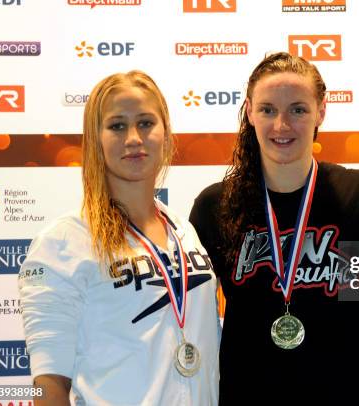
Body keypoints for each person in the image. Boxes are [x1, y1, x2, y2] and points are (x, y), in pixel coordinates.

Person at [18, 71, 219, 405]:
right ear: (95, 139)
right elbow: (49, 383)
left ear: (166, 134)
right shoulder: (64, 242)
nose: (134, 138)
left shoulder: (185, 231)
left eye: (145, 123)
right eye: (117, 126)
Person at [190, 52, 359, 405]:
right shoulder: (214, 206)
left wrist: (332, 368)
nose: (281, 125)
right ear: (248, 110)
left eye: (297, 109)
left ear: (321, 110)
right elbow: (187, 324)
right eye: (267, 109)